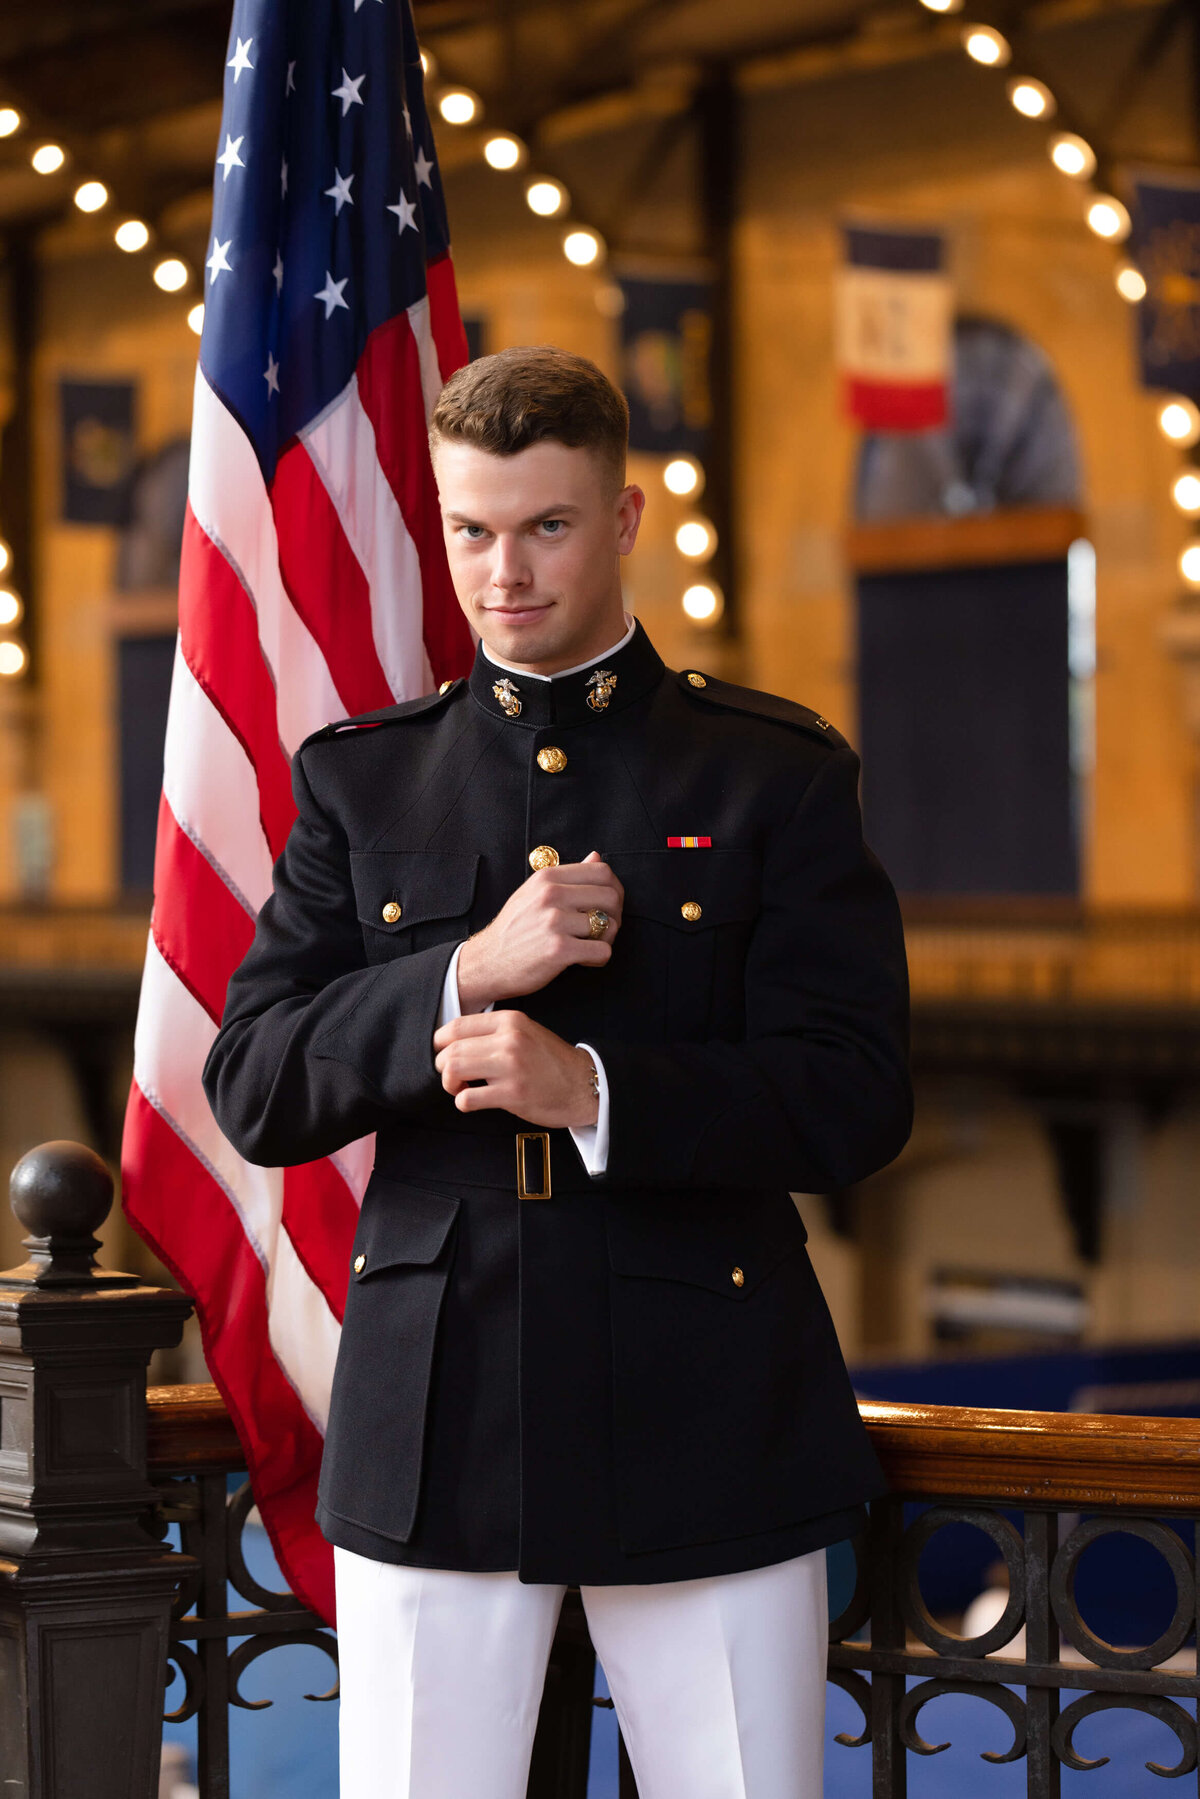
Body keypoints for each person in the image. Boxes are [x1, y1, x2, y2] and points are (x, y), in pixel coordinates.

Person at [203, 345, 912, 1799]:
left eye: (547, 526)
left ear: (627, 517)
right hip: (436, 1404)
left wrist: (596, 1093)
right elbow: (254, 1083)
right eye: (472, 530)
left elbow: (854, 1092)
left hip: (703, 1403)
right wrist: (463, 971)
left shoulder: (770, 773)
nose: (503, 571)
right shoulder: (362, 776)